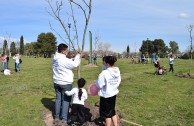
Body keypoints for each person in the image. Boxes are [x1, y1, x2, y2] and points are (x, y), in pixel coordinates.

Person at [52, 43, 81, 124]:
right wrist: (77, 57)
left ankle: (57, 117)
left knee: (58, 99)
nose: (67, 52)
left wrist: (71, 59)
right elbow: (75, 65)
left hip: (56, 82)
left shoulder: (55, 58)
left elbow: (66, 62)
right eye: (66, 50)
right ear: (63, 51)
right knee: (66, 100)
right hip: (65, 83)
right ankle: (64, 119)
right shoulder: (63, 60)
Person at [96, 56, 121, 126]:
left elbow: (99, 85)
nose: (102, 62)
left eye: (104, 61)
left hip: (106, 96)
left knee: (107, 115)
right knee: (112, 111)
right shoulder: (117, 71)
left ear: (106, 63)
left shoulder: (104, 73)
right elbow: (118, 81)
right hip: (113, 94)